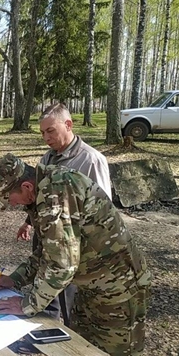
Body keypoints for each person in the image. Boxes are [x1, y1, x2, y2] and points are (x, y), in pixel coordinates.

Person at [0, 153, 151, 356]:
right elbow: (50, 250)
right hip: (91, 287)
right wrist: (15, 279)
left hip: (119, 288)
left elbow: (62, 264)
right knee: (80, 348)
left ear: (26, 187)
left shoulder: (54, 195)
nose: (13, 205)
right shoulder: (43, 189)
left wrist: (28, 305)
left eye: (10, 200)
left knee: (117, 352)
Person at [17, 103, 112, 327]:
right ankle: (44, 333)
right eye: (42, 132)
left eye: (50, 130)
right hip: (46, 238)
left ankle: (66, 339)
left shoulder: (90, 159)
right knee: (44, 287)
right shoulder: (47, 158)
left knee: (68, 297)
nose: (46, 137)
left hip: (73, 244)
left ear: (68, 124)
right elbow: (38, 197)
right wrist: (27, 222)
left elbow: (105, 208)